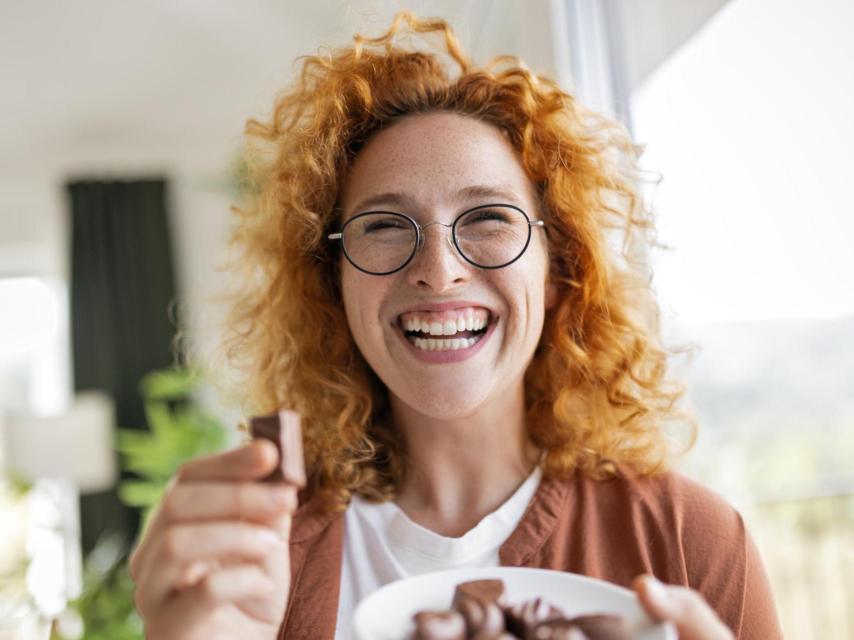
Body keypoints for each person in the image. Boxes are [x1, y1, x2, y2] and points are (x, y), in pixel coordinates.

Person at [128, 13, 783, 640]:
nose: (439, 272)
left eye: (489, 218)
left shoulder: (687, 539)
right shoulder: (258, 557)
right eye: (383, 226)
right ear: (334, 282)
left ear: (559, 272)